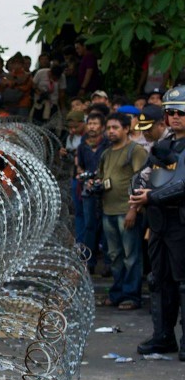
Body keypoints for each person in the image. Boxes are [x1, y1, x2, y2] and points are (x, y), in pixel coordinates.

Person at [131, 87, 185, 359]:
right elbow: (143, 173)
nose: (175, 117)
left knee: (182, 281)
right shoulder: (164, 145)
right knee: (158, 279)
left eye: (180, 112)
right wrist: (137, 189)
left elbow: (182, 185)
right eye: (171, 113)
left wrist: (151, 196)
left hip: (180, 222)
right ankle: (163, 336)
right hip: (160, 221)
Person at [98, 112, 148, 309]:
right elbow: (102, 177)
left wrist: (133, 209)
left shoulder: (135, 151)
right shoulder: (106, 153)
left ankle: (131, 295)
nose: (111, 131)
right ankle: (117, 292)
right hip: (108, 210)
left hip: (126, 210)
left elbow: (141, 180)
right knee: (115, 256)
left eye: (115, 127)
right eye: (109, 128)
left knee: (131, 256)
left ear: (127, 129)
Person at [75, 111, 109, 273]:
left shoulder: (108, 145)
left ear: (102, 127)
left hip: (107, 189)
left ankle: (108, 264)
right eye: (90, 124)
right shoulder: (82, 147)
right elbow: (80, 166)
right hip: (88, 190)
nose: (92, 127)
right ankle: (89, 262)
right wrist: (84, 178)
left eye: (95, 124)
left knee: (106, 226)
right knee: (89, 226)